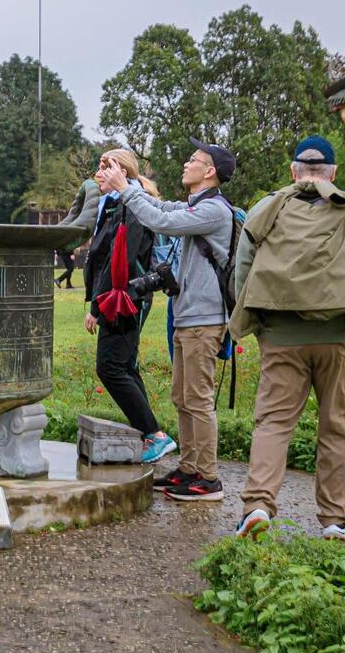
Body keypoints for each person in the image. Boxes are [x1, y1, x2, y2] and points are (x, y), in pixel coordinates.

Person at [230, 136, 345, 541]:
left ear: (294, 171)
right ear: (333, 174)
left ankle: (258, 505)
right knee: (337, 426)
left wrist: (264, 326)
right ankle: (334, 518)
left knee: (273, 422)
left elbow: (242, 273)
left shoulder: (266, 209)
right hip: (342, 336)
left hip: (282, 335)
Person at [95, 139, 238, 499]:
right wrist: (125, 187)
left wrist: (126, 187)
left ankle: (207, 477)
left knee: (199, 399)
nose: (186, 163)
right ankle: (189, 468)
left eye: (193, 159)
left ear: (209, 172)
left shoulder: (215, 211)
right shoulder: (194, 205)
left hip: (205, 319)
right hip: (187, 315)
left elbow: (160, 220)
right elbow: (157, 206)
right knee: (182, 397)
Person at [80, 149, 171, 458]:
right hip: (119, 297)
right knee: (124, 366)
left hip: (126, 298)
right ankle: (150, 435)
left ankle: (154, 434)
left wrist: (97, 305)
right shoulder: (117, 205)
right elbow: (102, 258)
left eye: (105, 168)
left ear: (122, 170)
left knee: (110, 367)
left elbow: (120, 259)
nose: (98, 173)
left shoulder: (131, 206)